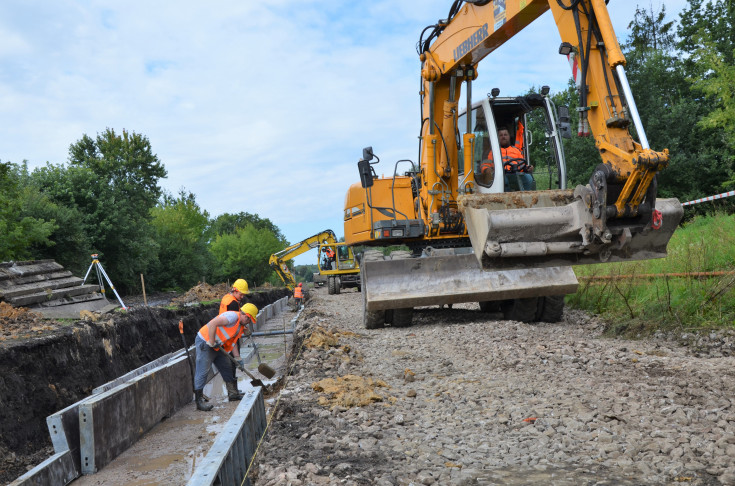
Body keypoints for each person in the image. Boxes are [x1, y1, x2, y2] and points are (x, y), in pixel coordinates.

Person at [193, 303, 258, 411]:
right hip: (205, 341)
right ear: (246, 316)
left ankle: (233, 394)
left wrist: (238, 358)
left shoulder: (240, 326)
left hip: (217, 345)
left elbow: (233, 343)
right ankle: (199, 402)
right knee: (203, 371)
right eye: (249, 320)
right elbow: (213, 323)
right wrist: (212, 341)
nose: (248, 323)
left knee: (227, 366)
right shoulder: (232, 317)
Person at [480, 123, 534, 191]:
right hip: (500, 176)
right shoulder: (492, 152)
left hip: (515, 175)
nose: (503, 137)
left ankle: (526, 197)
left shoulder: (516, 150)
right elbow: (485, 165)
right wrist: (487, 170)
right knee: (503, 180)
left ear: (509, 136)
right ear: (498, 137)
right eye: (501, 135)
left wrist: (527, 168)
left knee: (528, 178)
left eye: (505, 135)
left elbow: (522, 165)